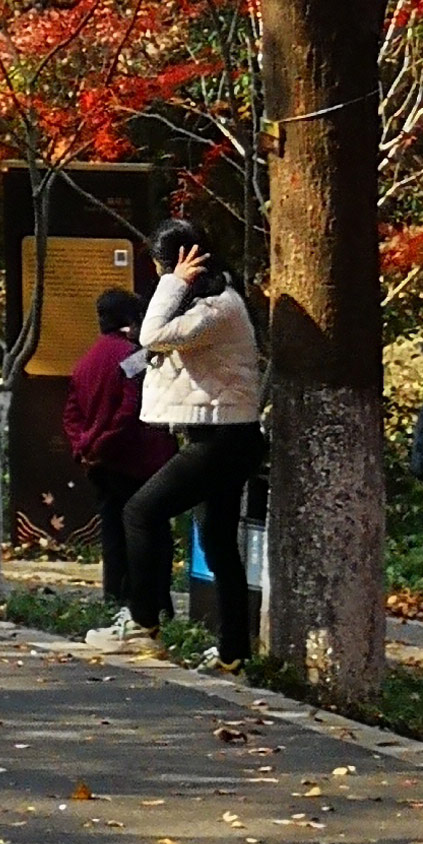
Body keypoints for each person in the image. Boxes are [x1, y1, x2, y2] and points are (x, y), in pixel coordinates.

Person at [120, 221, 266, 664]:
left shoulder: (219, 308)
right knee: (220, 545)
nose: (160, 273)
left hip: (224, 439)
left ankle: (143, 625)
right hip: (222, 435)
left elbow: (152, 336)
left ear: (186, 264)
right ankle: (233, 654)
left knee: (140, 511)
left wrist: (172, 282)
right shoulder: (211, 305)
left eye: (164, 266)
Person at [65, 285, 173, 648]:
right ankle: (152, 605)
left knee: (111, 534)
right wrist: (104, 443)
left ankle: (113, 598)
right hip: (135, 462)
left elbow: (71, 412)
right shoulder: (135, 358)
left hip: (100, 464)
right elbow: (131, 409)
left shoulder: (84, 361)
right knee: (147, 535)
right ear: (132, 321)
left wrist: (85, 447)